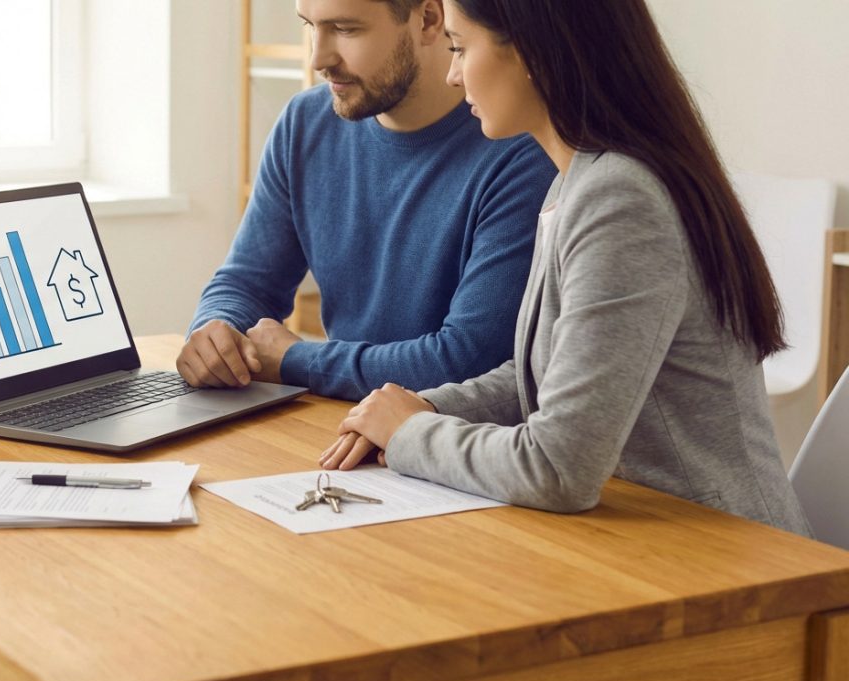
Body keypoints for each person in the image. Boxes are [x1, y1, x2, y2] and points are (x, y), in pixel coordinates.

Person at [320, 0, 811, 541]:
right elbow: (547, 371)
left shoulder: (621, 197)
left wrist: (412, 433)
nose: (453, 73)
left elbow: (558, 468)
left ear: (530, 51)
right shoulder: (577, 180)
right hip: (641, 532)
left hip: (730, 556)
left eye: (460, 48)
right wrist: (429, 405)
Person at [177, 0, 556, 401]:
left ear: (428, 20)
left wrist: (295, 360)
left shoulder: (520, 150)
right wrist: (217, 332)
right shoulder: (304, 123)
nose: (317, 58)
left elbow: (468, 360)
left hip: (440, 441)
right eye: (310, 26)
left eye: (345, 29)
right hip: (340, 427)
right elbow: (246, 283)